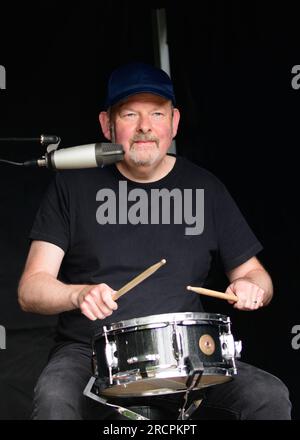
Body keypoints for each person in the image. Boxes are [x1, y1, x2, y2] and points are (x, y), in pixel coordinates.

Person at [18, 62, 291, 420]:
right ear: (107, 124)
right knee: (56, 398)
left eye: (157, 114)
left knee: (268, 396)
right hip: (92, 350)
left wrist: (251, 286)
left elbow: (258, 276)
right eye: (130, 113)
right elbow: (31, 289)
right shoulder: (73, 186)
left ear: (174, 122)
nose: (145, 126)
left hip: (188, 353)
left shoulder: (205, 188)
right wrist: (77, 294)